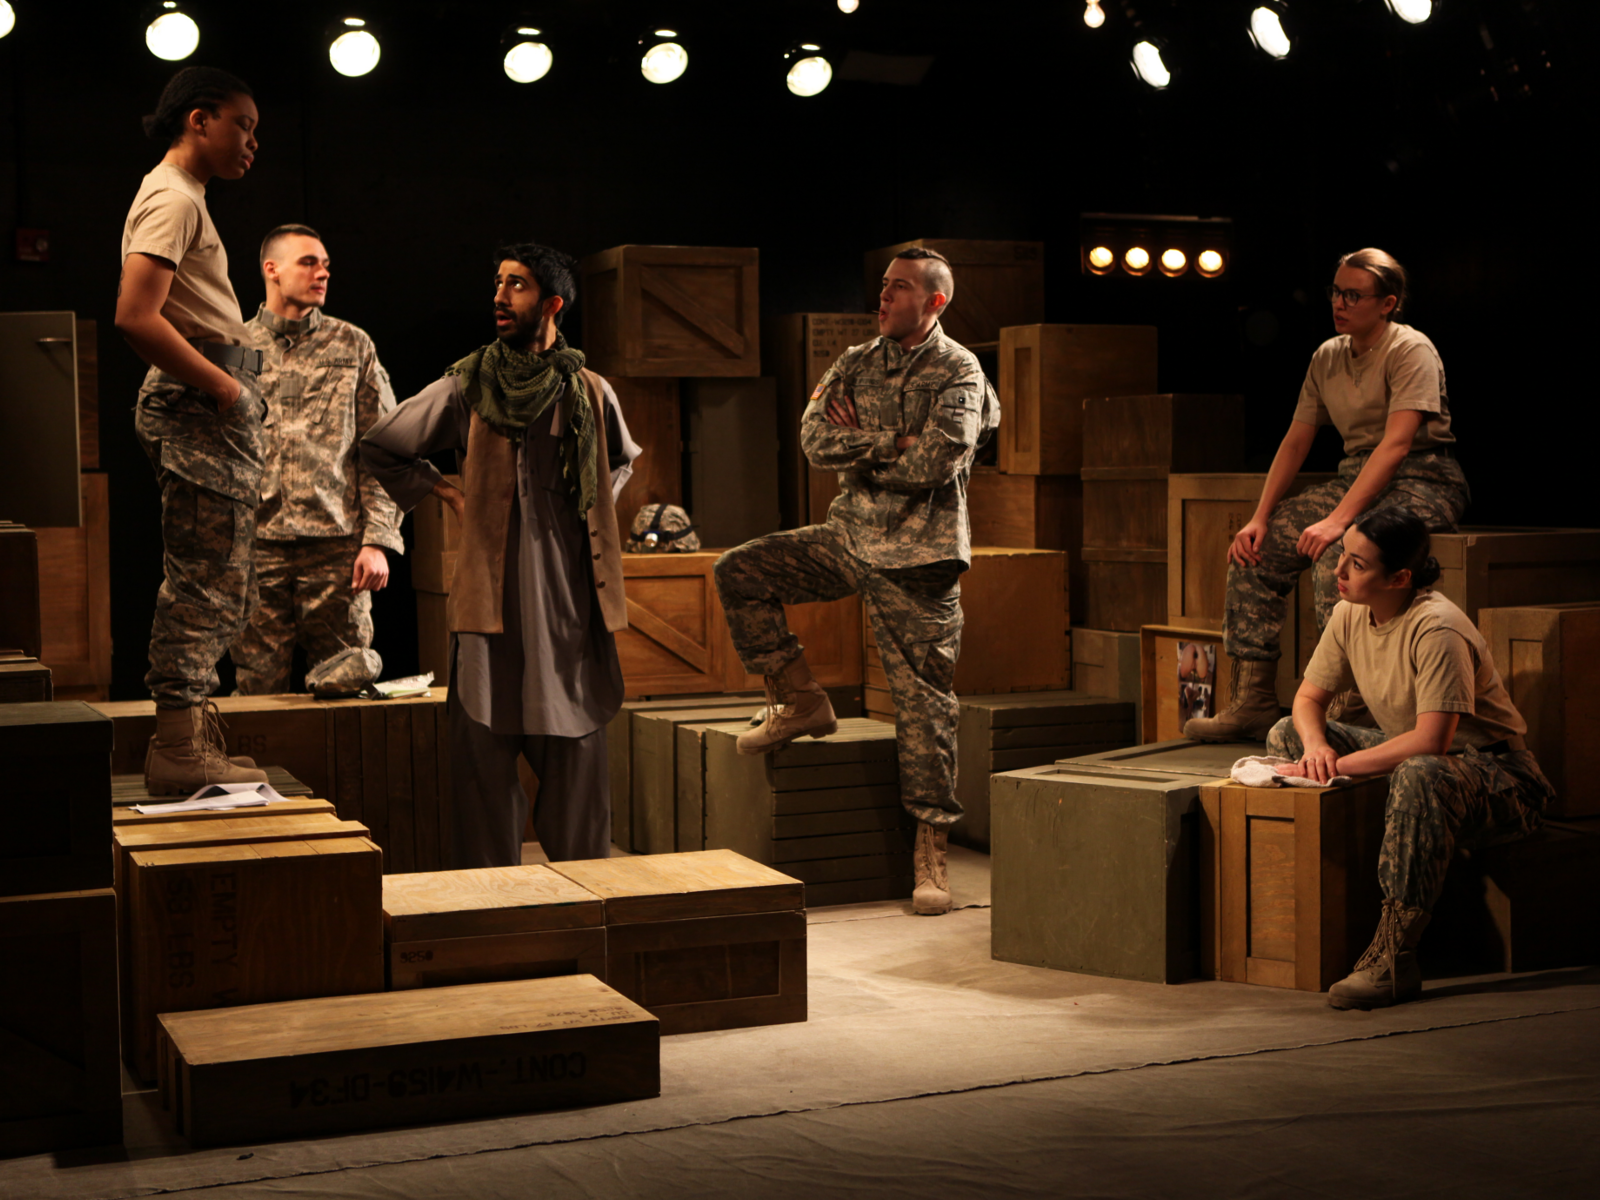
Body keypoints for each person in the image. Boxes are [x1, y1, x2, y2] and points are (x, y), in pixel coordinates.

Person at [714, 248, 1000, 915]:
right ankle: (801, 700)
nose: (884, 297)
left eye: (900, 288)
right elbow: (814, 439)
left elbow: (938, 462)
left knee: (925, 708)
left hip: (921, 560)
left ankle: (931, 851)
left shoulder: (960, 369)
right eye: (884, 285)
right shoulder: (855, 361)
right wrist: (890, 442)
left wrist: (873, 446)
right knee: (741, 570)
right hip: (848, 538)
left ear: (935, 301)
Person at [360, 244, 640, 867]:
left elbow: (621, 461)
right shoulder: (469, 385)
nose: (499, 296)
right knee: (482, 780)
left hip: (569, 616)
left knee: (579, 785)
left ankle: (584, 907)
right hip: (490, 614)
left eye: (516, 285)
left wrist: (586, 510)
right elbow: (382, 444)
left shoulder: (590, 391)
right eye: (498, 283)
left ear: (552, 303)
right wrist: (448, 493)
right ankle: (487, 908)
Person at [1269, 507, 1553, 1010]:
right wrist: (1315, 749)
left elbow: (1430, 742)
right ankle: (1338, 903)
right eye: (1342, 555)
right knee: (1287, 734)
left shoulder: (1437, 627)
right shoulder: (1350, 611)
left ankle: (1393, 957)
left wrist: (1335, 766)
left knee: (1421, 773)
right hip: (1417, 764)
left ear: (1399, 578)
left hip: (1499, 777)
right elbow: (1308, 700)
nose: (1338, 571)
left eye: (1357, 564)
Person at [1186, 248, 1470, 742]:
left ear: (1387, 303)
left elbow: (1397, 445)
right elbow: (1297, 440)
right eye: (1336, 292)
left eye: (1353, 295)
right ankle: (1253, 700)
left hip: (1423, 478)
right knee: (1257, 549)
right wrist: (1259, 517)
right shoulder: (1328, 355)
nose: (1340, 303)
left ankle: (1348, 705)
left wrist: (1338, 521)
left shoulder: (1410, 349)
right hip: (1355, 475)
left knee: (1341, 554)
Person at [114, 65, 270, 793]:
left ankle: (188, 735)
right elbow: (135, 315)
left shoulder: (185, 198)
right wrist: (224, 387)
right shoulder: (173, 198)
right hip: (199, 402)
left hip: (207, 404)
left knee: (221, 577)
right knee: (204, 581)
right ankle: (177, 746)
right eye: (243, 125)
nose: (252, 143)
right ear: (198, 119)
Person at [229, 224, 403, 694]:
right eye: (308, 262)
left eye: (325, 265)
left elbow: (384, 448)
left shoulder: (353, 346)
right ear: (272, 269)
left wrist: (378, 540)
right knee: (257, 690)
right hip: (257, 548)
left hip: (337, 552)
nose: (322, 273)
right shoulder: (234, 347)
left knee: (345, 686)